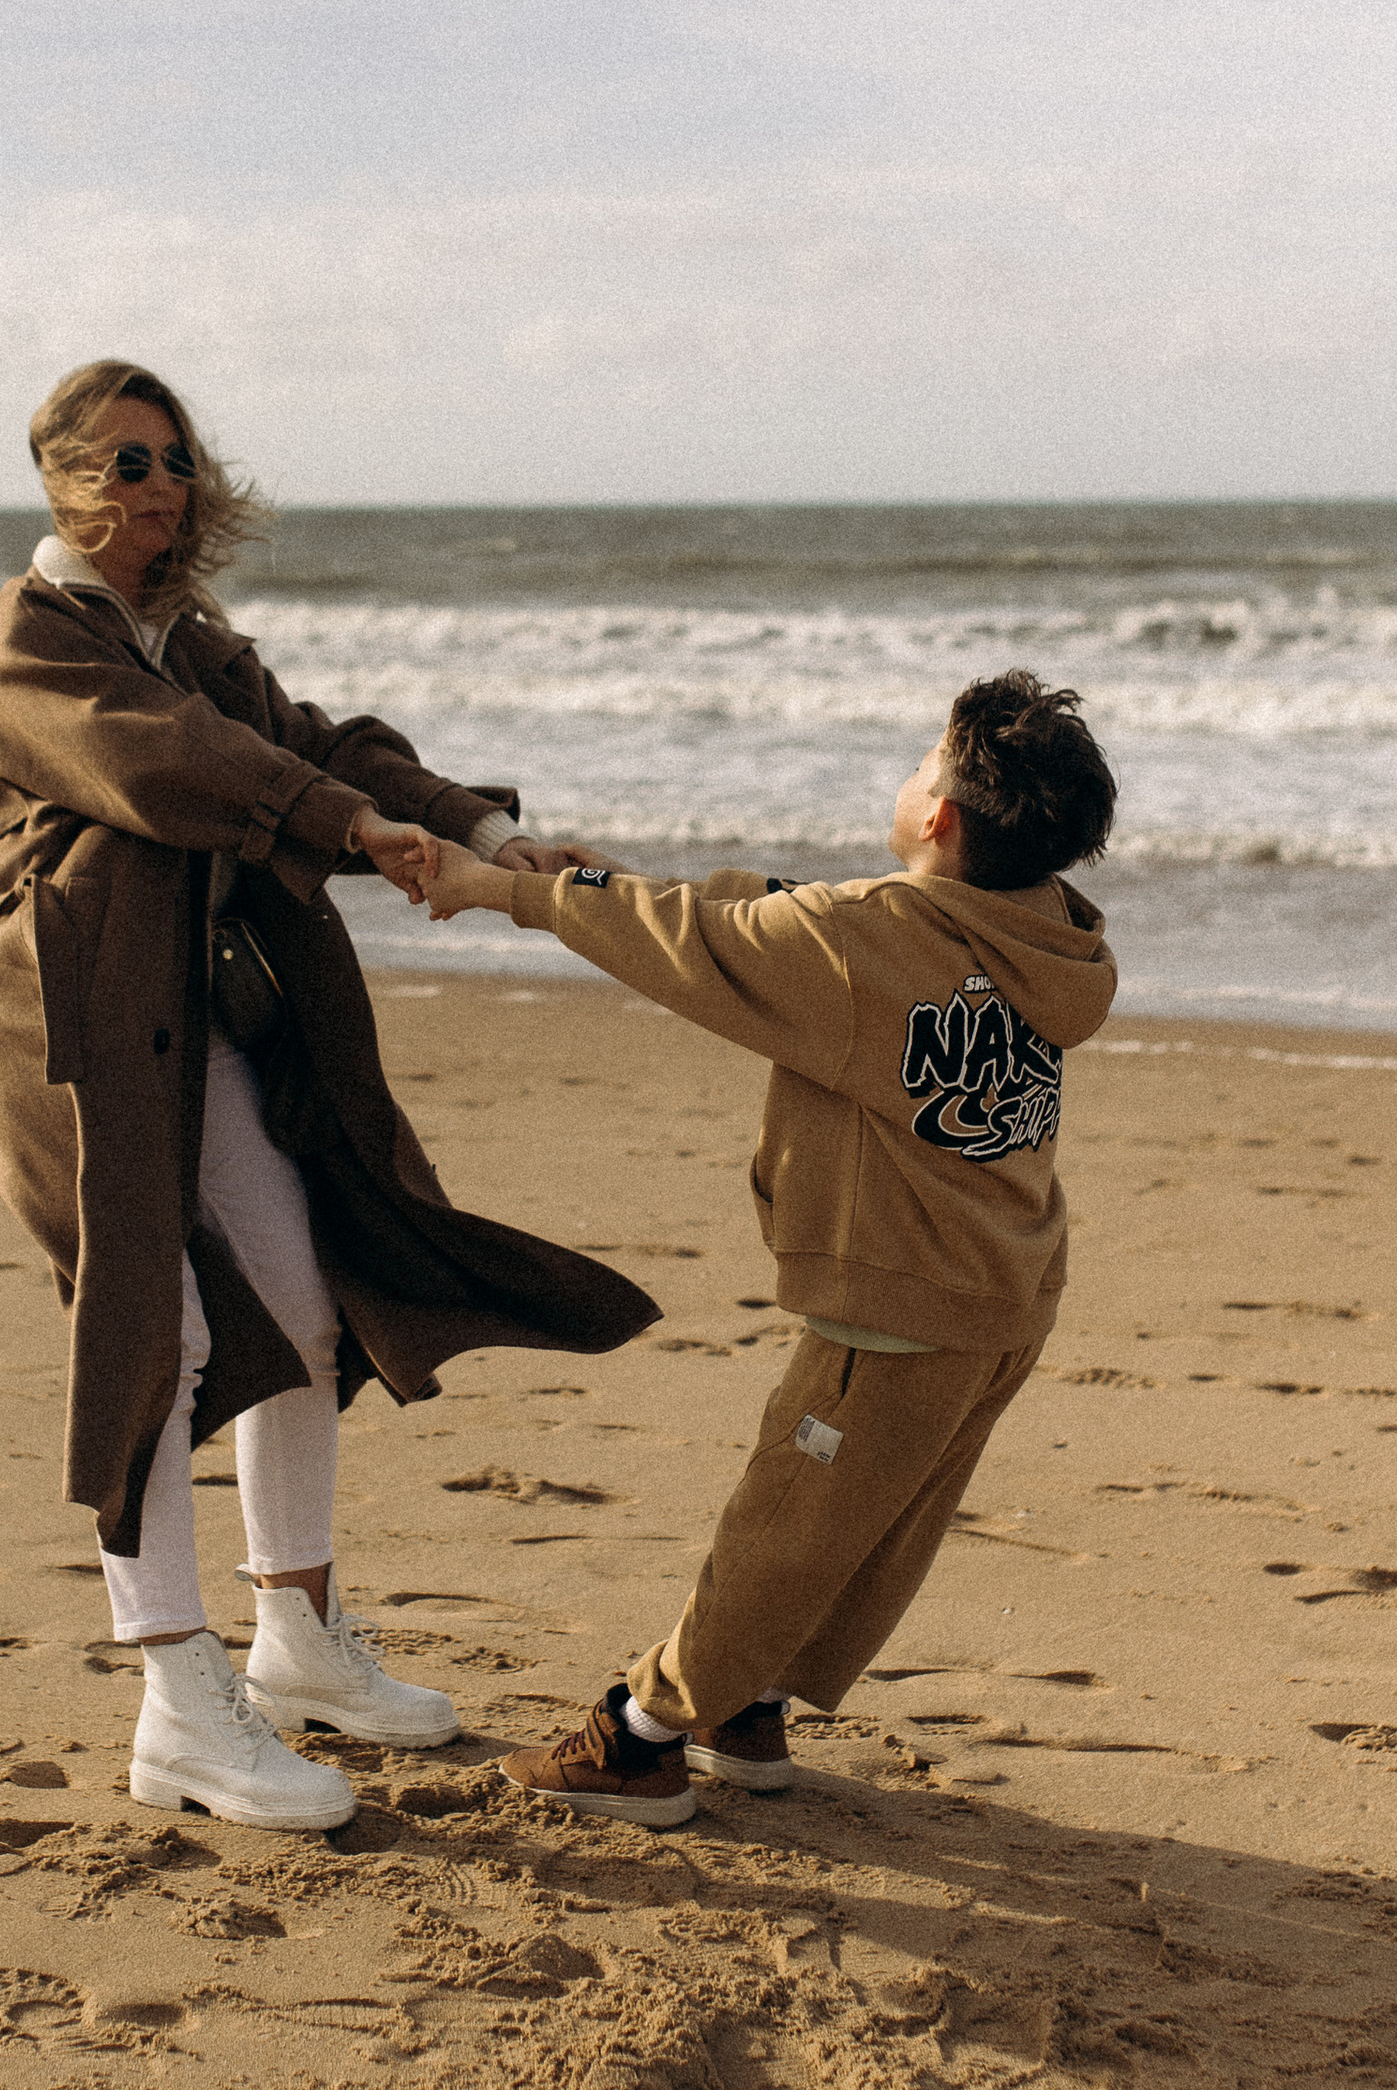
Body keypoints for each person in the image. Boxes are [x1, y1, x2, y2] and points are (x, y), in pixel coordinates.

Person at [0, 359, 658, 1833]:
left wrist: (465, 822)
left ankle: (297, 1641)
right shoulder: (30, 641)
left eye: (176, 461)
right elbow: (179, 767)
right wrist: (350, 823)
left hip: (198, 1016)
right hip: (74, 1029)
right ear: (67, 481)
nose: (162, 486)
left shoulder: (188, 638)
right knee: (165, 1327)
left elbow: (305, 739)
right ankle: (175, 1698)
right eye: (129, 462)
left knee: (308, 1302)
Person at [384, 671, 1117, 1827]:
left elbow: (707, 944)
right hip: (1006, 1292)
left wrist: (500, 892)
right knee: (871, 1521)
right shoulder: (1043, 938)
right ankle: (750, 1701)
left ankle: (643, 1738)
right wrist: (594, 881)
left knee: (783, 1522)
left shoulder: (864, 941)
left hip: (898, 1307)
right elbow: (757, 918)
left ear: (941, 817)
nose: (911, 777)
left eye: (922, 764)